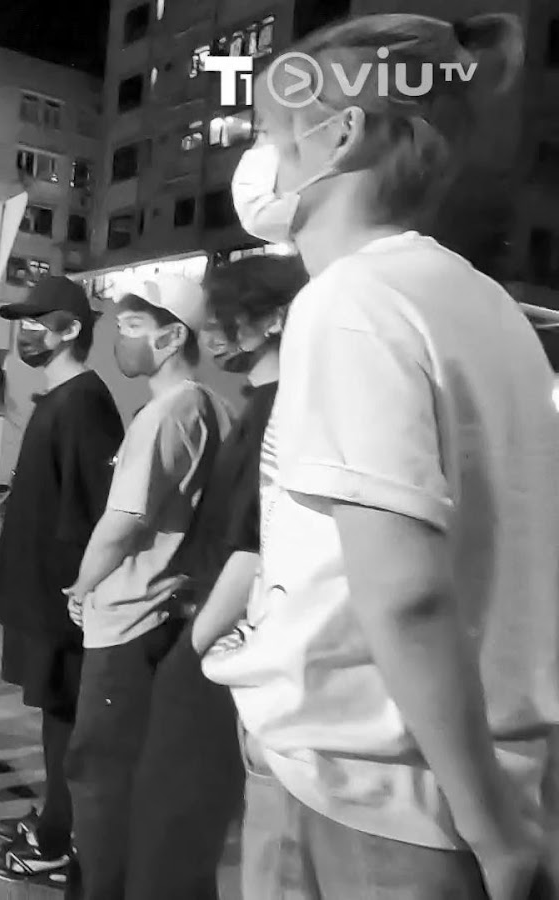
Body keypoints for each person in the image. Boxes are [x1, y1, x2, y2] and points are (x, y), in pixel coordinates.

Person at [202, 14, 558, 899]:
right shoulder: (484, 305)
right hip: (460, 780)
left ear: (342, 134)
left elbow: (406, 592)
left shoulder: (349, 302)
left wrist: (491, 829)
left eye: (270, 133)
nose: (260, 160)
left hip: (367, 796)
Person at [123, 255, 306, 900]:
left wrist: (194, 647)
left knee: (174, 822)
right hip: (213, 626)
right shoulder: (255, 404)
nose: (213, 333)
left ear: (273, 320)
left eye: (226, 317)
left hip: (223, 638)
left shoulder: (278, 410)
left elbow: (252, 546)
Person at [60, 274, 235, 899]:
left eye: (134, 327)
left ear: (171, 337)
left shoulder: (166, 412)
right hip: (170, 613)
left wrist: (81, 586)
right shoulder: (211, 406)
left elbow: (126, 519)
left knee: (101, 776)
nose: (121, 337)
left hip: (133, 616)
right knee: (141, 774)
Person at [0, 276, 125, 885]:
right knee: (53, 716)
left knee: (65, 718)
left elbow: (101, 509)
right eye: (23, 321)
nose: (26, 332)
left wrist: (82, 589)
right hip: (39, 596)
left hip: (61, 601)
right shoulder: (57, 398)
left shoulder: (85, 402)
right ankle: (54, 817)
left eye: (38, 322)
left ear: (71, 329)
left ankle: (59, 842)